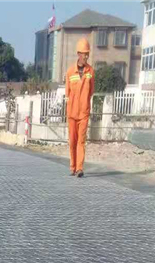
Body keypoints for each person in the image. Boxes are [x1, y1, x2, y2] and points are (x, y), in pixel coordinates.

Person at [65, 38, 95, 177]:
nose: (86, 56)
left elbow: (91, 91)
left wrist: (84, 103)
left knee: (81, 141)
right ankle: (72, 167)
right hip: (72, 113)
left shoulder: (90, 71)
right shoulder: (70, 72)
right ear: (78, 54)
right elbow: (67, 93)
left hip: (84, 113)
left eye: (87, 53)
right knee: (72, 141)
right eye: (84, 53)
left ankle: (79, 168)